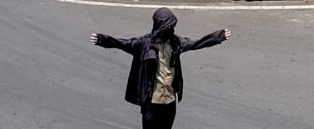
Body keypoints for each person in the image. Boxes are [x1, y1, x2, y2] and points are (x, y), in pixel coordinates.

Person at [91, 8, 231, 129]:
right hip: (152, 103)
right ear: (160, 27)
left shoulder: (176, 42)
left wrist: (219, 36)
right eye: (168, 27)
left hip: (169, 101)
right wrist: (102, 40)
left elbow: (197, 43)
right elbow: (123, 43)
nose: (170, 30)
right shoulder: (144, 44)